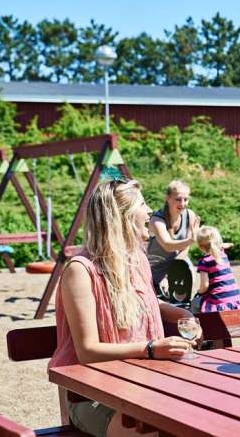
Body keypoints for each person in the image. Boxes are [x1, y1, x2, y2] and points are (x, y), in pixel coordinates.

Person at [48, 179, 195, 437]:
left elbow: (142, 300)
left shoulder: (138, 260)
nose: (150, 211)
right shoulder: (80, 271)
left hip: (143, 386)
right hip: (94, 398)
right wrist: (150, 349)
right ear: (121, 217)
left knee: (200, 418)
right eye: (142, 205)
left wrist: (179, 313)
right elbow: (87, 351)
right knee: (155, 432)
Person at [146, 179, 200, 299]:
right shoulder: (157, 220)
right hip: (155, 269)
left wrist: (173, 273)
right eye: (178, 199)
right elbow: (168, 245)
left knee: (181, 301)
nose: (183, 203)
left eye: (185, 199)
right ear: (168, 198)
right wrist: (191, 239)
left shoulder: (189, 215)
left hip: (178, 263)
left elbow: (185, 248)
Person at [195, 225, 240, 312]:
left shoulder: (204, 261)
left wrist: (199, 292)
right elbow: (220, 246)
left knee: (197, 303)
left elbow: (204, 286)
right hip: (236, 298)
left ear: (200, 247)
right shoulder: (223, 255)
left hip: (219, 302)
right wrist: (227, 244)